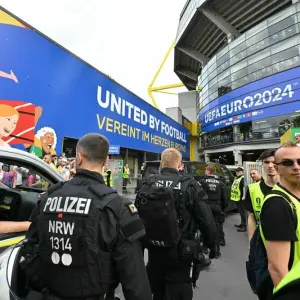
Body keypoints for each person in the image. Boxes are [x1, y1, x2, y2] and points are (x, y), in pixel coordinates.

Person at [25, 133, 152, 300]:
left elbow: (30, 250)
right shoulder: (117, 207)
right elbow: (135, 282)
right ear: (106, 161)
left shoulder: (47, 198)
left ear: (78, 158)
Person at [135, 148, 217, 300]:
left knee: (157, 289)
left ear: (161, 164)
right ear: (180, 165)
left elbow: (136, 217)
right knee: (180, 287)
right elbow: (206, 219)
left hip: (154, 248)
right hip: (181, 250)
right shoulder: (191, 185)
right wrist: (212, 245)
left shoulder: (147, 184)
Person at [260, 142, 300, 300]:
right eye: (288, 163)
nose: (296, 167)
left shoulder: (295, 197)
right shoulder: (277, 204)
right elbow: (277, 269)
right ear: (276, 169)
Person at [244, 150, 279, 242]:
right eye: (266, 162)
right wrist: (251, 243)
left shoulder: (290, 188)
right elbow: (251, 217)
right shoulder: (252, 189)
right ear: (262, 164)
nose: (270, 166)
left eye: (274, 162)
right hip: (261, 242)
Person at [199, 164, 228, 257]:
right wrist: (222, 209)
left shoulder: (202, 182)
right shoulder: (221, 183)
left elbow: (198, 195)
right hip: (217, 206)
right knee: (217, 227)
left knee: (205, 226)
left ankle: (204, 247)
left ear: (208, 171)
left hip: (205, 207)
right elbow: (225, 198)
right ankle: (216, 250)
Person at [231, 167, 246, 232]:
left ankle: (244, 226)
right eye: (236, 172)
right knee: (241, 212)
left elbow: (244, 188)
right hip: (237, 198)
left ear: (241, 172)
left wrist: (244, 196)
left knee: (243, 212)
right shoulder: (238, 178)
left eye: (237, 172)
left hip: (241, 198)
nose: (236, 173)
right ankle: (242, 224)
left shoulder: (242, 179)